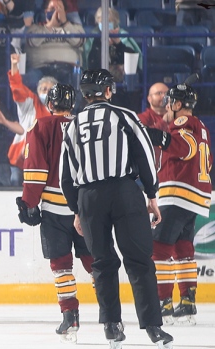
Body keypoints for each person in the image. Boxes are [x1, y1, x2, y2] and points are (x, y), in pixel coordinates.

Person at [60, 69, 174, 348]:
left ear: (85, 95)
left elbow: (66, 176)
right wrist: (151, 194)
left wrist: (77, 208)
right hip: (124, 192)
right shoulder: (124, 116)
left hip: (89, 197)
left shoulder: (72, 126)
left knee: (102, 263)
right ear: (108, 91)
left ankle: (112, 325)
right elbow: (144, 155)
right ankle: (154, 328)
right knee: (139, 261)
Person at [16, 83, 93, 344]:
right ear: (72, 104)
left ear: (50, 104)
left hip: (55, 209)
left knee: (61, 264)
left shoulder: (42, 126)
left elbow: (36, 170)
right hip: (85, 207)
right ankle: (110, 310)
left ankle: (70, 315)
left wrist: (29, 203)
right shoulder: (86, 126)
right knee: (93, 258)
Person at [151, 84, 211, 326]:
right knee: (183, 248)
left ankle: (163, 302)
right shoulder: (202, 126)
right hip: (195, 196)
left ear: (177, 105)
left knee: (159, 248)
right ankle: (187, 301)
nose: (166, 107)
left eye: (169, 103)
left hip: (177, 193)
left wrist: (161, 137)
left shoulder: (182, 123)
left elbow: (186, 148)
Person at [7, 53, 54, 186]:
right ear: (38, 91)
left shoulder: (60, 113)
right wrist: (14, 65)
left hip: (45, 166)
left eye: (50, 89)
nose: (46, 92)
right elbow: (17, 88)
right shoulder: (31, 102)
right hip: (20, 164)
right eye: (43, 89)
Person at [23, 0, 84, 91]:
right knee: (30, 78)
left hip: (68, 69)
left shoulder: (75, 28)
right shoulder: (35, 28)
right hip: (41, 69)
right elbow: (32, 41)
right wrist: (51, 25)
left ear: (65, 12)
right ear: (45, 11)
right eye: (52, 9)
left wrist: (64, 22)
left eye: (59, 9)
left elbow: (79, 41)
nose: (56, 12)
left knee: (79, 81)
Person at [82, 7, 141, 82]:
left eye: (108, 22)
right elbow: (92, 64)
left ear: (115, 22)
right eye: (101, 22)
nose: (105, 25)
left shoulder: (123, 36)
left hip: (122, 81)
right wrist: (101, 45)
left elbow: (131, 62)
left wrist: (118, 44)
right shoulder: (94, 38)